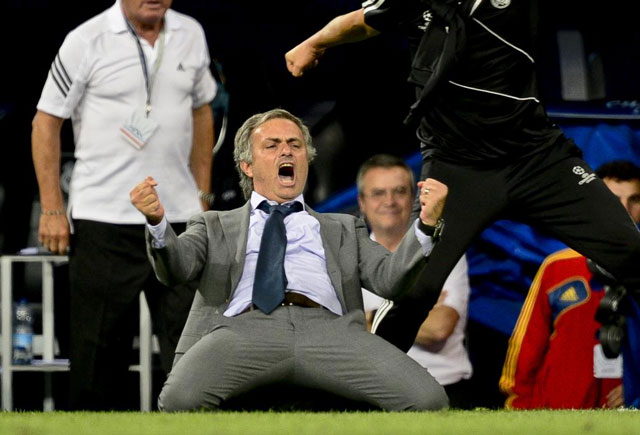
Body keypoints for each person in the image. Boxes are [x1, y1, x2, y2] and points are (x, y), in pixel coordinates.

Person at [284, 0, 640, 352]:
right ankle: (368, 397)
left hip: (538, 159)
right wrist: (314, 43)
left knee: (631, 253)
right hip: (456, 169)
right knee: (414, 292)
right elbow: (363, 20)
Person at [129, 108, 450, 411]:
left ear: (306, 160)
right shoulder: (213, 225)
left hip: (331, 333)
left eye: (295, 145)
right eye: (272, 145)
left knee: (428, 400)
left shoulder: (343, 226)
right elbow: (176, 269)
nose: (286, 151)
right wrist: (158, 223)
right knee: (179, 399)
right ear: (247, 165)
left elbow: (390, 279)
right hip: (242, 329)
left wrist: (425, 225)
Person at [31, 0, 217, 409]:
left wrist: (202, 193)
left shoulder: (191, 33)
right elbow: (46, 122)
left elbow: (203, 110)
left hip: (180, 221)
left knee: (194, 355)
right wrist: (52, 208)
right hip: (104, 220)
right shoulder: (85, 39)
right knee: (97, 358)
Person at [499, 160, 640, 409]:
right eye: (613, 198)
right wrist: (518, 408)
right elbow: (525, 347)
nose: (624, 209)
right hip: (557, 414)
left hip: (625, 417)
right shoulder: (557, 267)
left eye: (634, 200)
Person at [358, 154, 474, 409]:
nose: (389, 201)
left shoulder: (445, 251)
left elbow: (439, 329)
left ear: (412, 198)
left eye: (399, 191)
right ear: (362, 202)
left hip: (447, 391)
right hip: (373, 394)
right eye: (378, 193)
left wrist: (365, 318)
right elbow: (332, 335)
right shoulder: (347, 256)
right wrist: (419, 309)